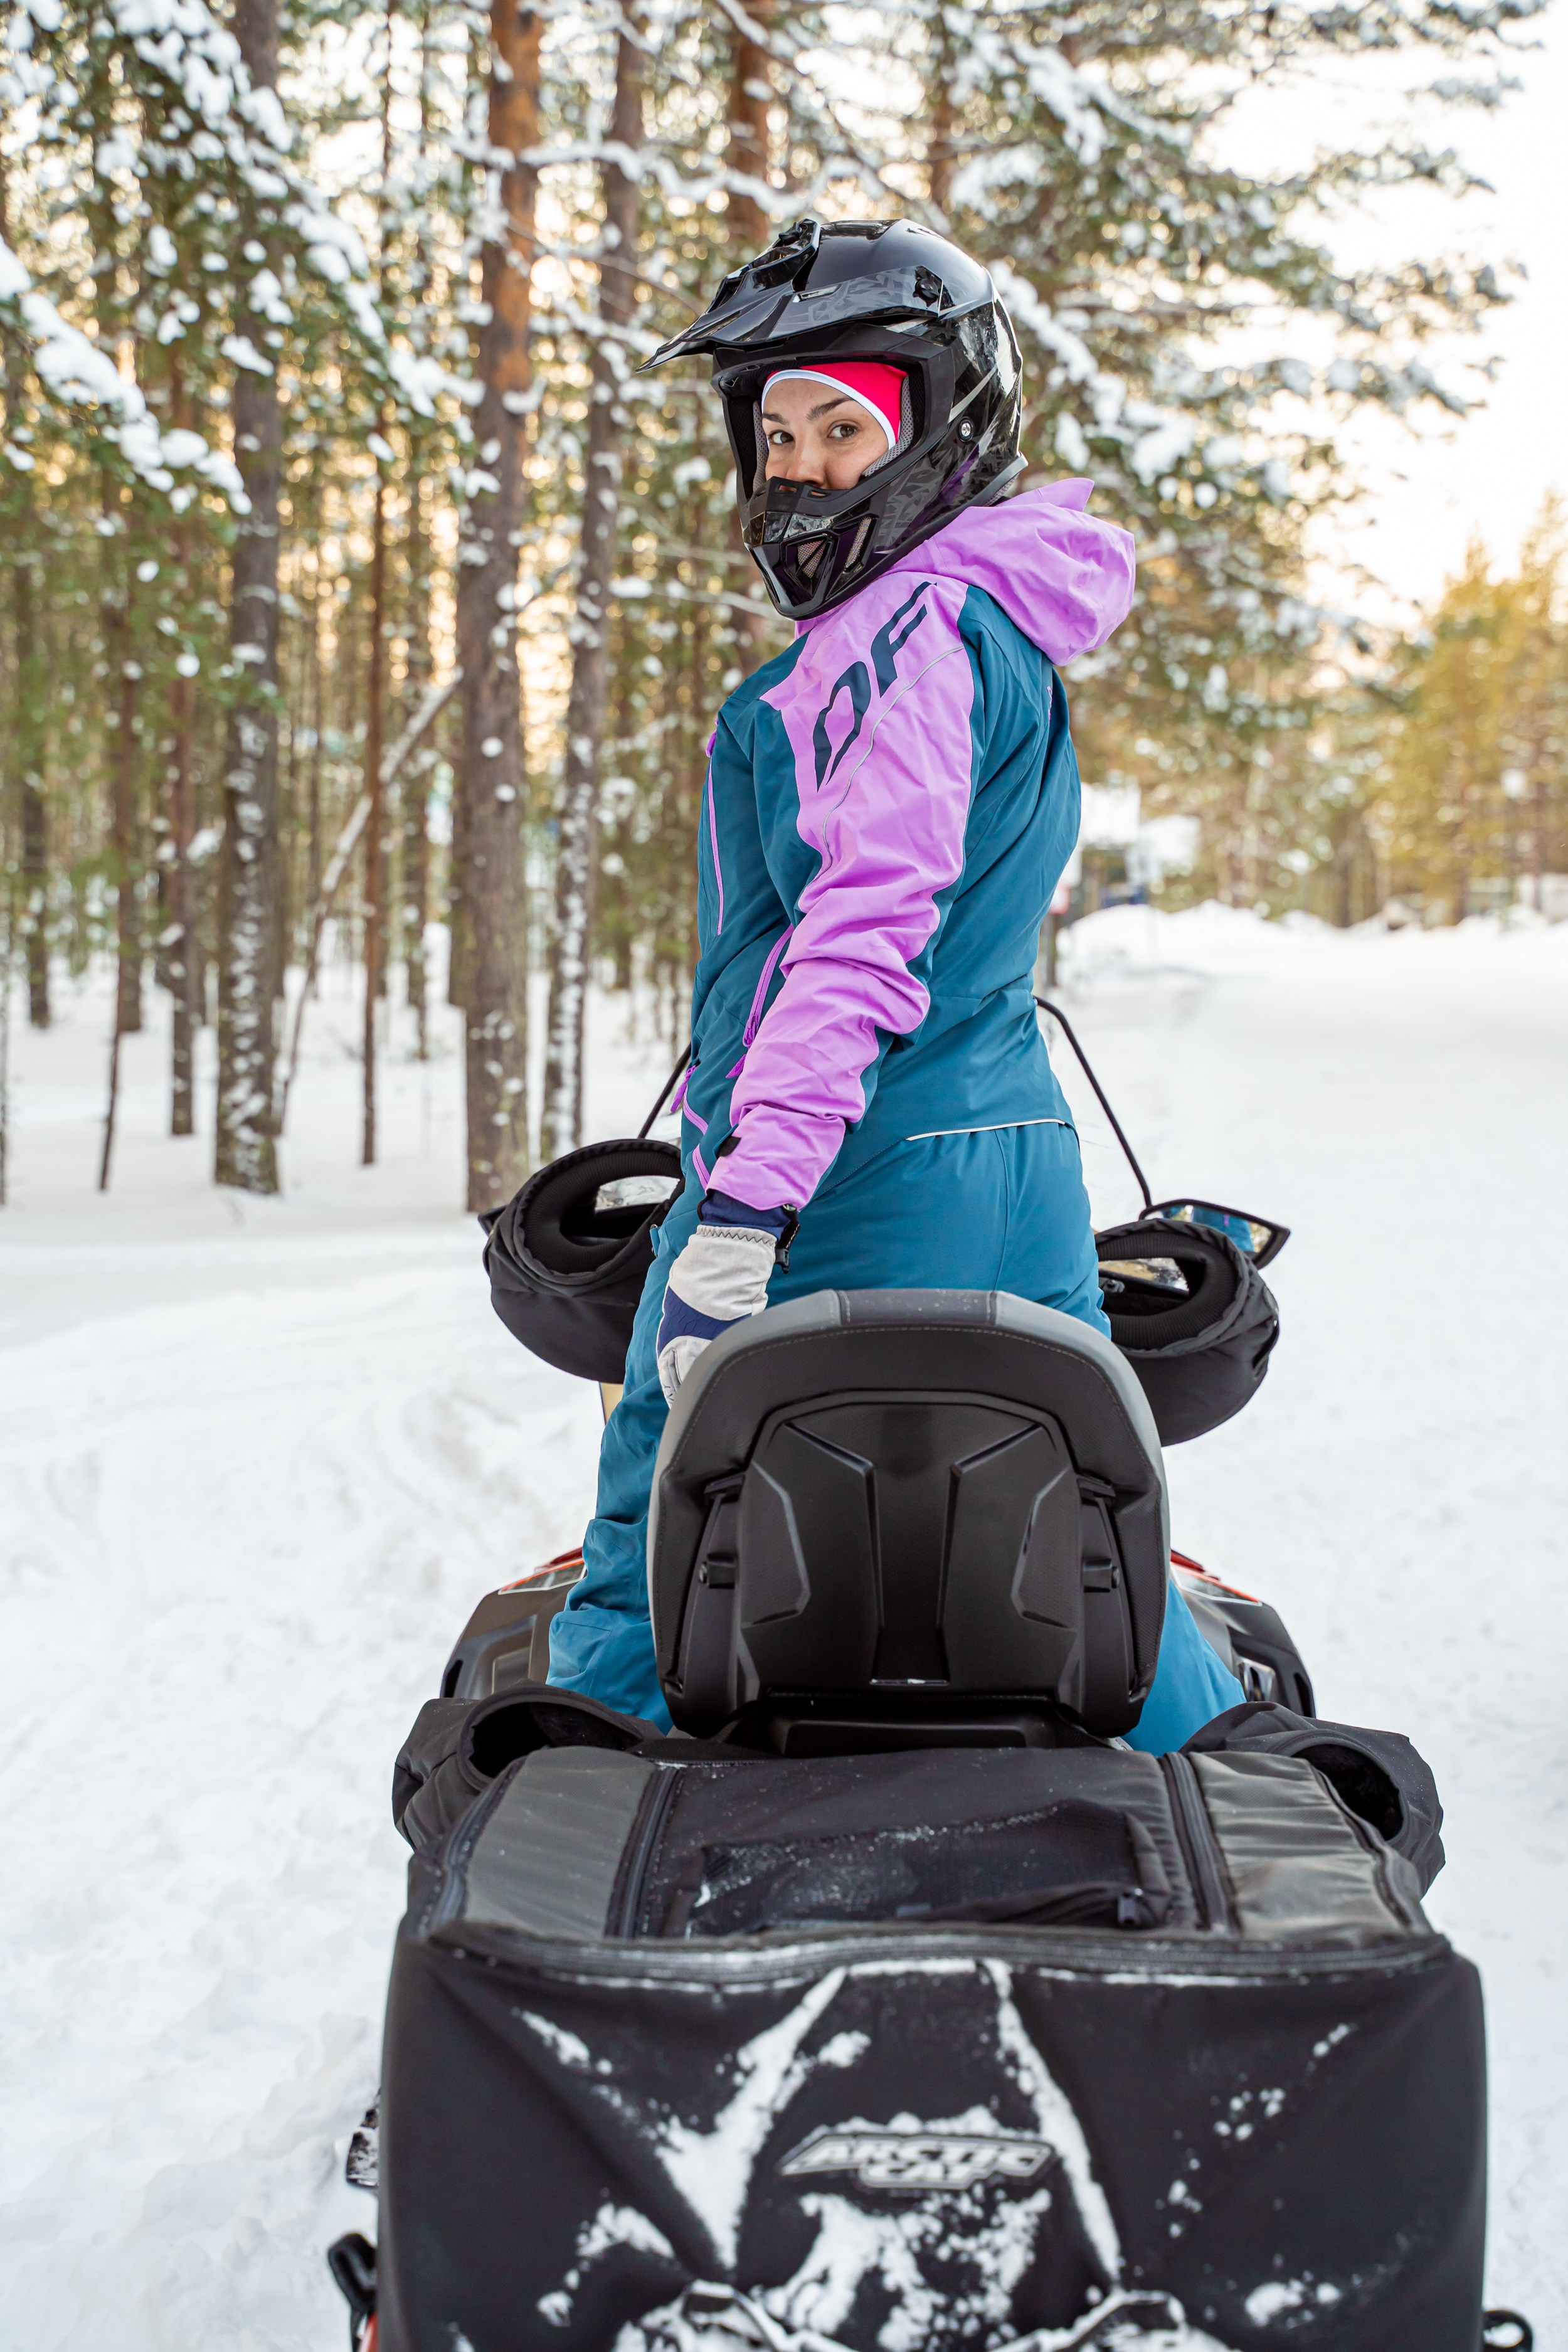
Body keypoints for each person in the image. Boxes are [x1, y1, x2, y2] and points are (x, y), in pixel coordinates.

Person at [549, 216, 1242, 1751]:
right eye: (775, 430)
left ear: (936, 428)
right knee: (1081, 1522)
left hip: (849, 1158)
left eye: (842, 427)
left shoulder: (903, 631)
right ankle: (1246, 1788)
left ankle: (569, 1816)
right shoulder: (995, 620)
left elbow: (859, 933)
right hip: (1009, 1149)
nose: (799, 470)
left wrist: (741, 1201)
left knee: (660, 1490)